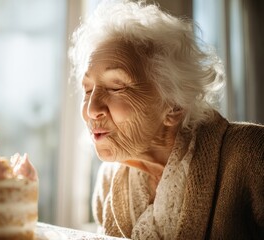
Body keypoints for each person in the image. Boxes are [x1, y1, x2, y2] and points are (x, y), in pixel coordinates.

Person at [69, 0, 264, 239]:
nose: (91, 109)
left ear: (174, 106)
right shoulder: (109, 179)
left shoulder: (252, 153)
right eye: (88, 90)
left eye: (116, 87)